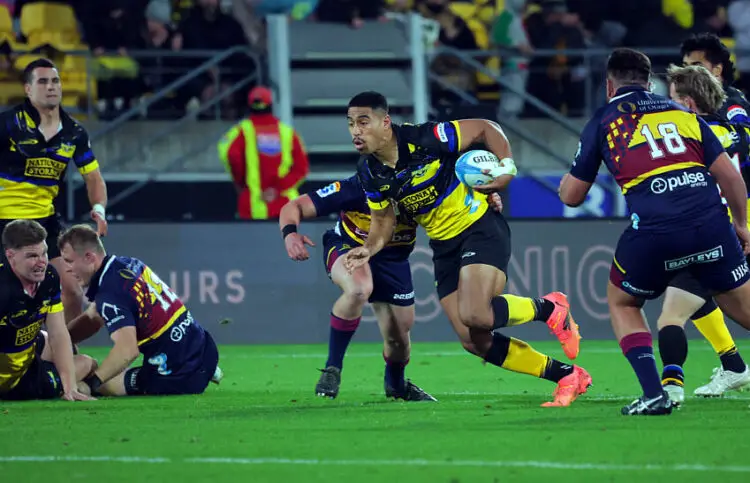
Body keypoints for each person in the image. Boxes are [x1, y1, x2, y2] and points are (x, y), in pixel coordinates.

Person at [342, 91, 591, 408]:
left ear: (385, 122)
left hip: (479, 227)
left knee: (476, 312)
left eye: (363, 122)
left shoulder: (424, 137)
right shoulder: (369, 172)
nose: (355, 131)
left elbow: (486, 128)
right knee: (474, 340)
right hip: (443, 246)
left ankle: (550, 309)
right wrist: (368, 249)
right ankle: (567, 375)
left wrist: (507, 169)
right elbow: (382, 221)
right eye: (350, 123)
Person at [559, 48, 750, 416]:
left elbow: (572, 195)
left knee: (623, 301)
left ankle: (654, 394)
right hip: (711, 223)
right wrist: (741, 226)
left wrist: (567, 182)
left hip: (656, 230)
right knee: (740, 305)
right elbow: (730, 176)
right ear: (650, 83)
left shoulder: (604, 119)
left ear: (609, 86)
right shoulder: (682, 113)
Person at [279, 176, 435, 401]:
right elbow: (295, 205)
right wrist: (290, 234)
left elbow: (459, 203)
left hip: (392, 259)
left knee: (399, 336)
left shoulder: (422, 188)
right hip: (348, 246)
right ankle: (333, 369)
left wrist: (489, 197)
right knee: (359, 289)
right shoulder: (357, 186)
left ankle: (397, 386)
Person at [656, 64, 750, 404]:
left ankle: (671, 387)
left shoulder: (690, 132)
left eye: (672, 100)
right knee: (683, 301)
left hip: (716, 232)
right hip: (727, 228)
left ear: (688, 102)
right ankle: (732, 364)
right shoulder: (729, 129)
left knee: (675, 311)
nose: (667, 106)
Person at [0, 58, 108, 325]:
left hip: (45, 223)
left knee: (71, 290)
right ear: (27, 89)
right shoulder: (7, 124)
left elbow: (93, 177)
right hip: (4, 220)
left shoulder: (74, 133)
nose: (51, 87)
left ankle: (60, 359)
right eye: (43, 81)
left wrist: (99, 209)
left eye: (56, 81)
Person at [58, 225, 222, 397]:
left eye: (69, 261)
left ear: (89, 258)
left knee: (98, 384)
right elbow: (92, 318)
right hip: (205, 350)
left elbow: (127, 351)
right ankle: (204, 370)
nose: (66, 268)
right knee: (109, 370)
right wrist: (59, 343)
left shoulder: (110, 293)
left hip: (176, 374)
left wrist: (94, 382)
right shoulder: (127, 264)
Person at [0, 219, 96, 401]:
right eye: (32, 256)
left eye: (44, 253)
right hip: (14, 378)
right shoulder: (3, 290)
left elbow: (58, 333)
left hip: (28, 346)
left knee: (82, 358)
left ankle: (72, 385)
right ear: (10, 255)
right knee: (85, 365)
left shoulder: (49, 277)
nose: (41, 262)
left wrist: (70, 388)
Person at [218, 86, 309, 220]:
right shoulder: (287, 132)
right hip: (285, 207)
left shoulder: (241, 131)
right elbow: (301, 169)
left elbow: (231, 155)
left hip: (252, 206)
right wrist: (277, 189)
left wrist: (240, 181)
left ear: (249, 106)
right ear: (271, 105)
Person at [681, 33, 750, 125]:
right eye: (685, 66)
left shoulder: (733, 105)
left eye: (696, 66)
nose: (687, 72)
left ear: (717, 70)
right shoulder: (683, 100)